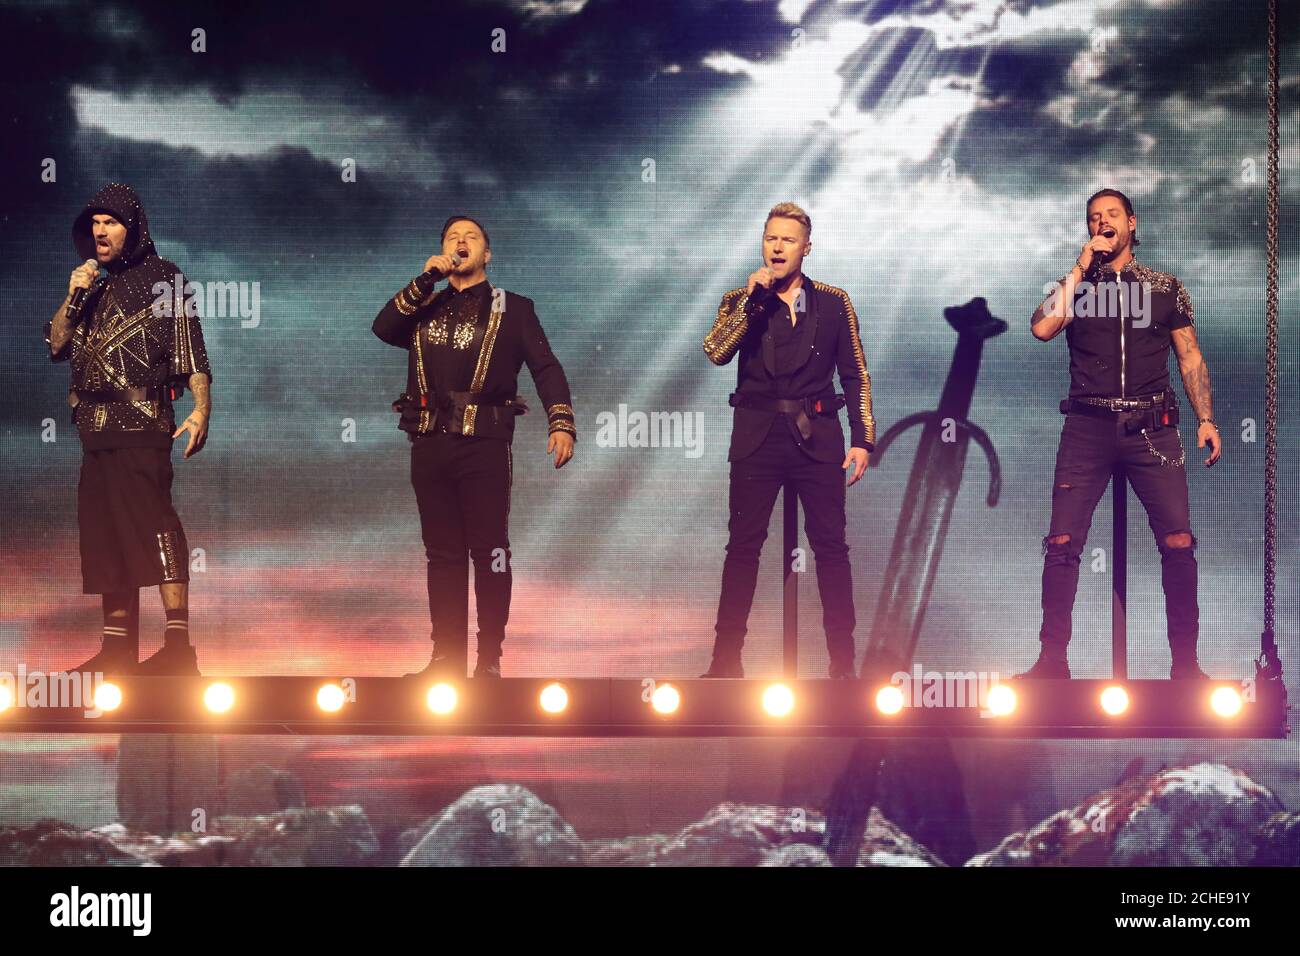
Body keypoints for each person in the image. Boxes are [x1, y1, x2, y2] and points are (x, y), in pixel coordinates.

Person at [1019, 188, 1221, 680]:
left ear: (1132, 223)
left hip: (1152, 429)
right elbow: (1043, 328)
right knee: (1062, 540)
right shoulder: (1076, 286)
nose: (1102, 222)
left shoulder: (1164, 288)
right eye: (1093, 217)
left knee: (1177, 540)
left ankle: (1186, 666)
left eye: (1111, 215)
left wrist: (1207, 418)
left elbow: (1189, 355)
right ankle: (1051, 662)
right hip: (1087, 426)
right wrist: (1081, 267)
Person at [373, 216, 576, 678]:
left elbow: (546, 367)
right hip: (428, 441)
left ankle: (488, 661)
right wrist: (426, 278)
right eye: (450, 238)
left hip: (484, 440)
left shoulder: (515, 309)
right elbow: (383, 327)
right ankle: (445, 660)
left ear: (487, 254)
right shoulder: (426, 304)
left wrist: (561, 422)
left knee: (489, 551)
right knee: (441, 554)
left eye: (471, 238)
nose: (460, 242)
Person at [701, 202, 876, 679]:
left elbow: (855, 373)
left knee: (831, 547)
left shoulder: (834, 301)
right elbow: (716, 351)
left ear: (806, 248)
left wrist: (863, 439)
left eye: (788, 240)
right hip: (757, 438)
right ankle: (724, 662)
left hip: (818, 437)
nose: (777, 247)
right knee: (743, 546)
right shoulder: (741, 298)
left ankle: (843, 664)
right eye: (770, 238)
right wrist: (751, 304)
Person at [45, 182, 213, 677]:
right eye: (94, 222)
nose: (100, 230)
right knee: (104, 534)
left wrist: (202, 409)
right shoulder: (88, 284)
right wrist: (74, 294)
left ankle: (178, 647)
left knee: (154, 524)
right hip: (92, 429)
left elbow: (193, 358)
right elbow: (55, 344)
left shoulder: (166, 278)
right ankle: (117, 648)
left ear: (132, 227)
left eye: (110, 222)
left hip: (143, 423)